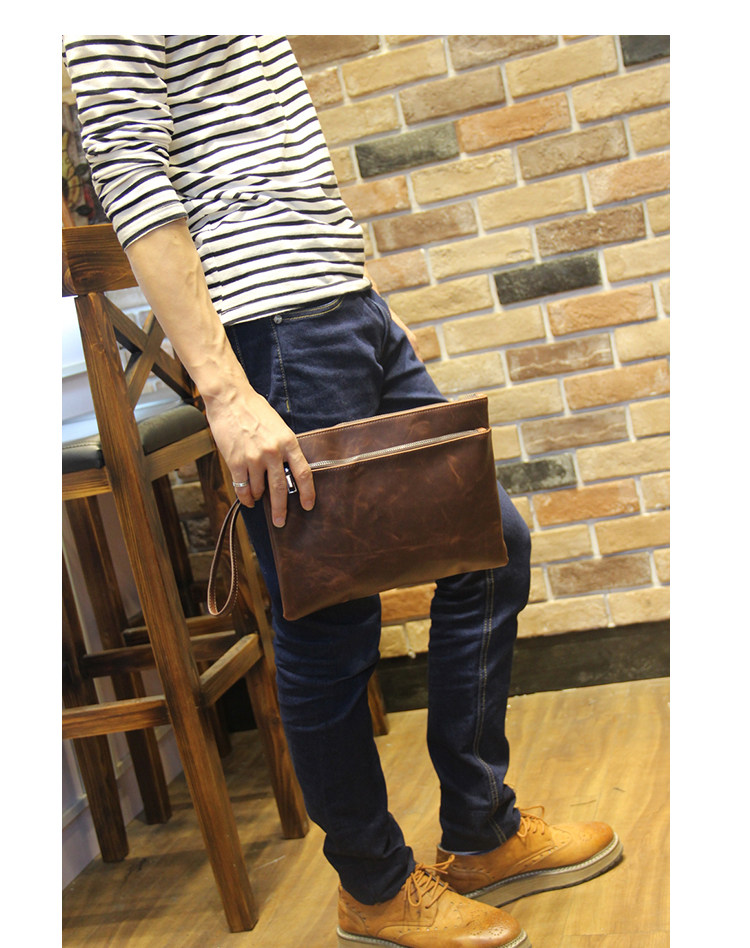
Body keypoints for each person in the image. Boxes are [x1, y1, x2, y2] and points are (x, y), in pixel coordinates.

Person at [63, 35, 622, 948]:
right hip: (271, 327)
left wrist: (356, 296)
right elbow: (130, 167)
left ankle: (480, 832)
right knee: (328, 621)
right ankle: (374, 885)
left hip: (340, 305)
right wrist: (225, 391)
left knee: (491, 546)